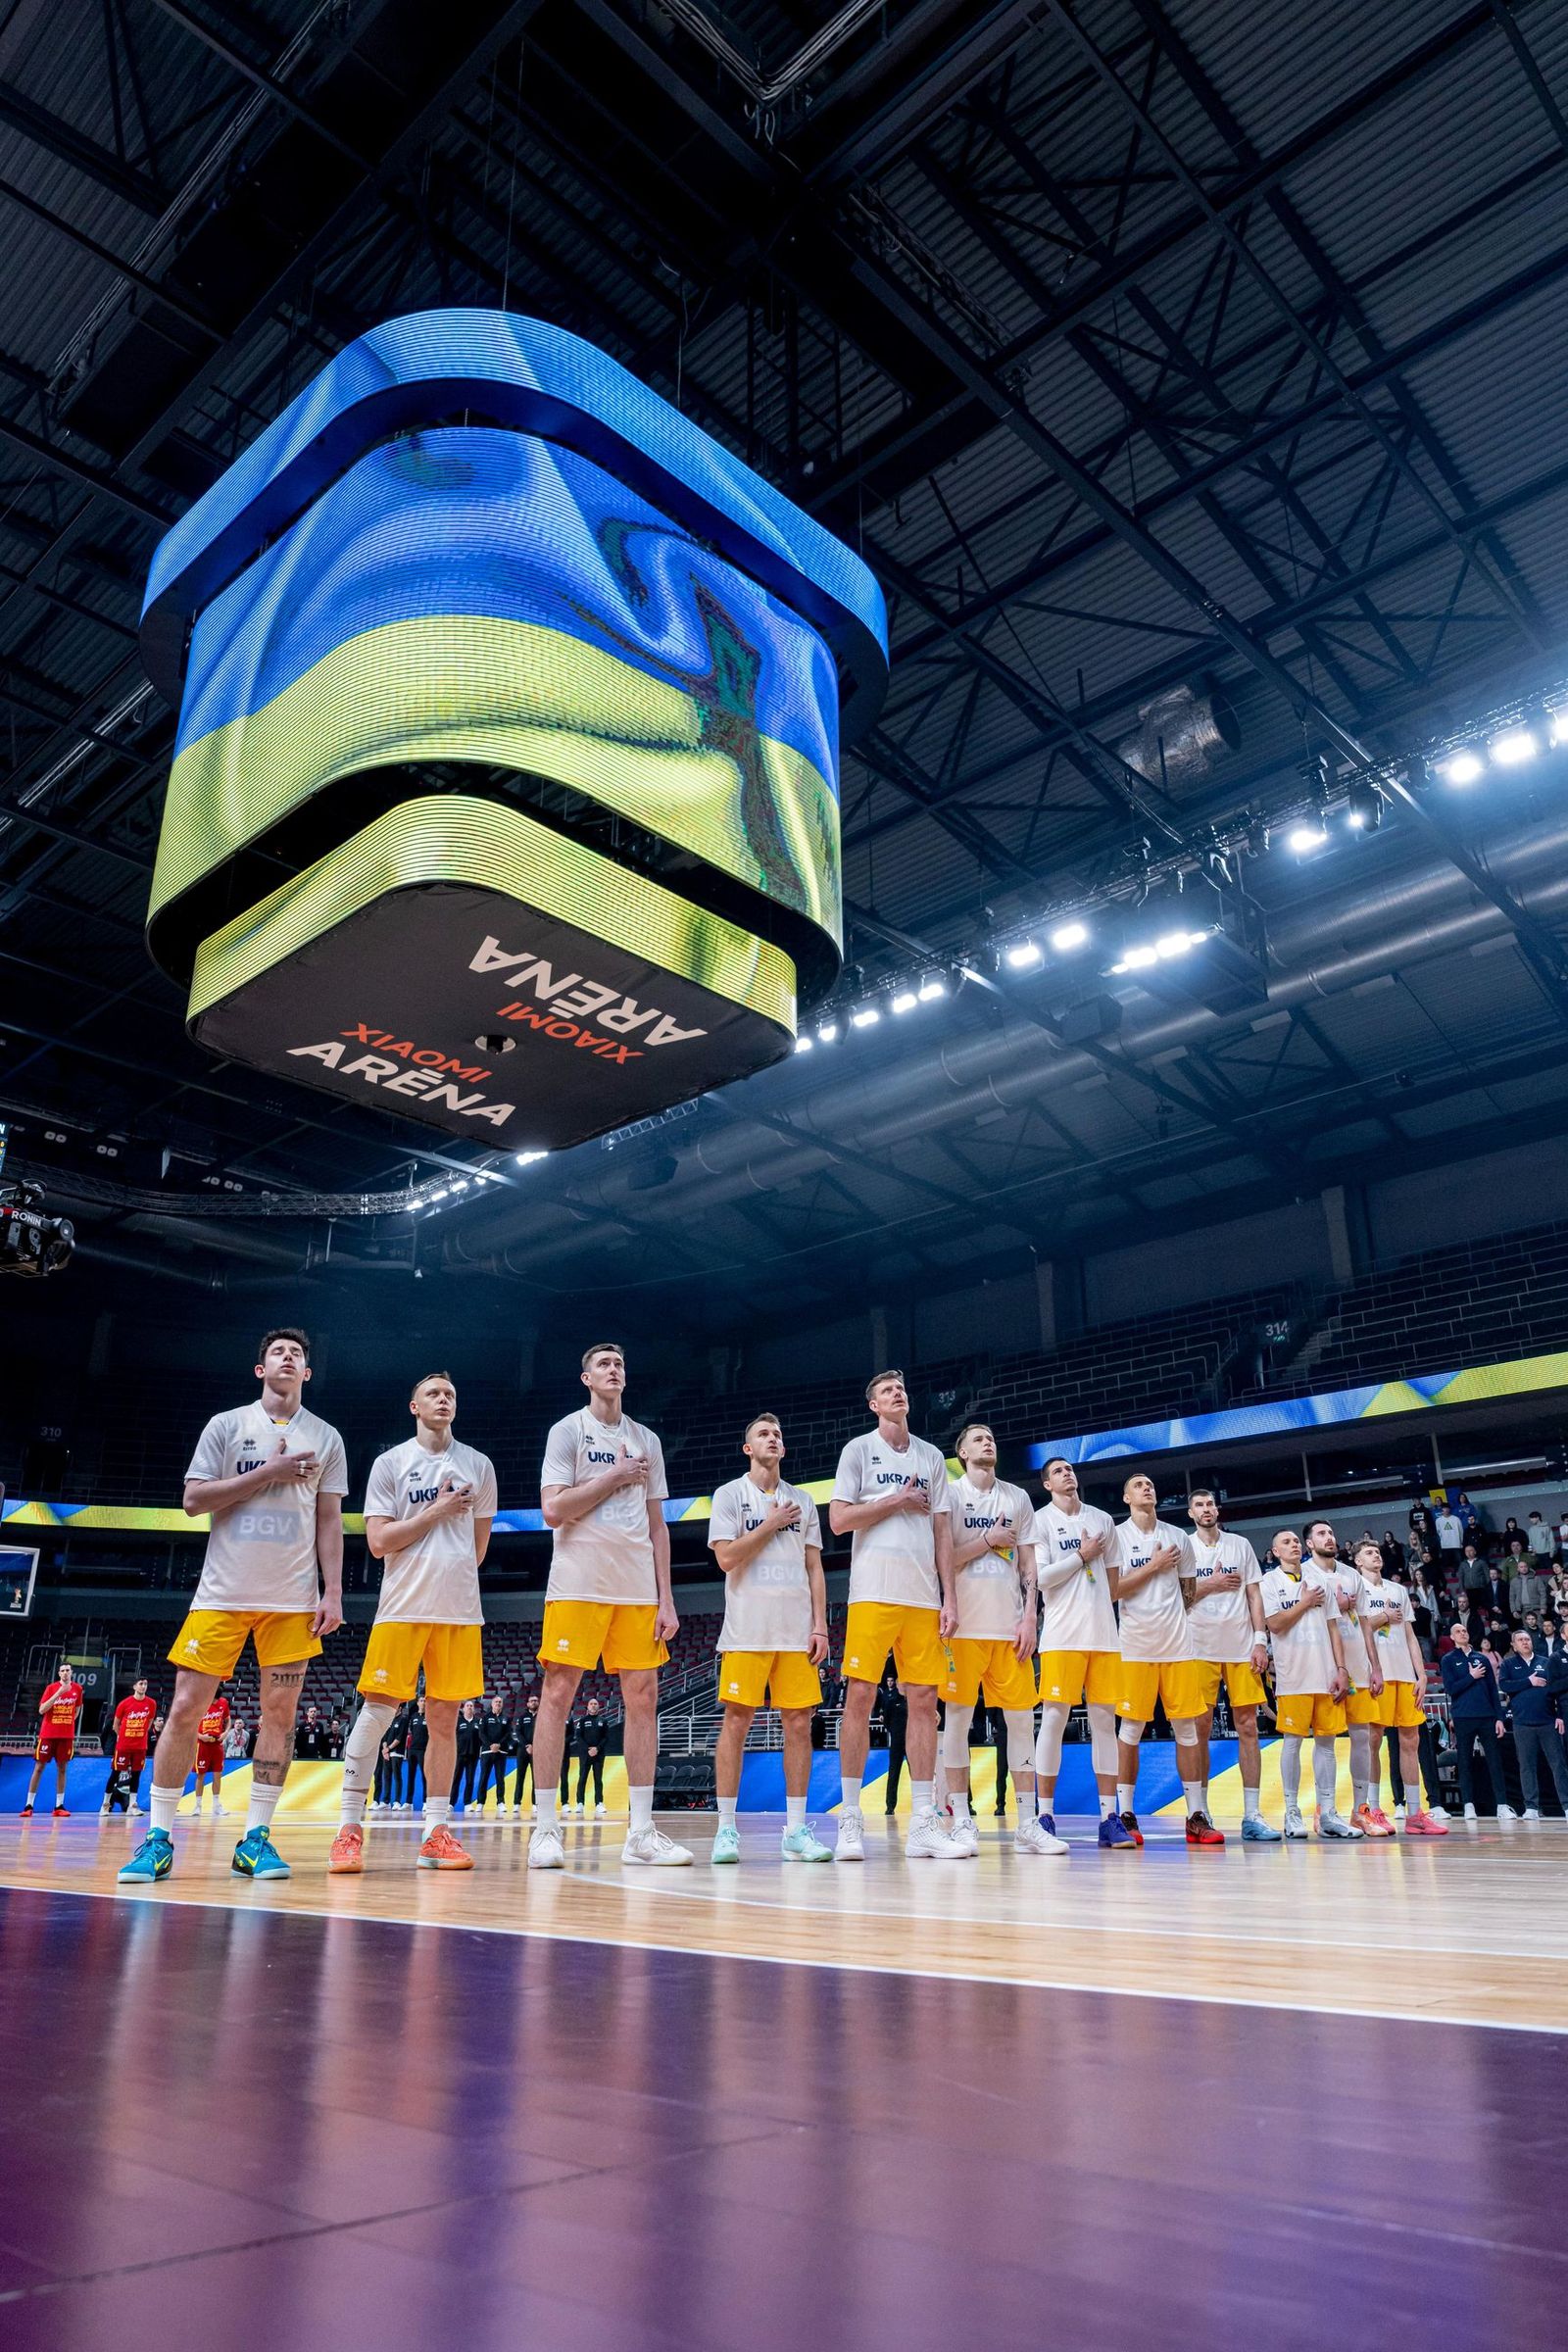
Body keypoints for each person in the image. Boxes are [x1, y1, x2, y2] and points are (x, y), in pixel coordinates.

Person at [119, 1328, 346, 1886]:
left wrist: (333, 1590)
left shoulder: (327, 1437)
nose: (288, 1358)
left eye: (297, 1354)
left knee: (281, 1715)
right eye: (277, 1352)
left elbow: (329, 1521)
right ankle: (158, 1838)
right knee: (184, 1710)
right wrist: (266, 1473)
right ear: (260, 1369)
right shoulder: (226, 1425)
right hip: (221, 1593)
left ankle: (256, 1838)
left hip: (292, 1599)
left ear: (307, 1373)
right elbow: (194, 1501)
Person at [530, 1343, 689, 1869]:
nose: (614, 1369)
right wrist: (613, 1477)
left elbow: (657, 1525)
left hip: (637, 1590)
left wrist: (666, 1597)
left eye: (620, 1363)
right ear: (586, 1378)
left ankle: (641, 1830)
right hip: (577, 1584)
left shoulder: (647, 1439)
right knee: (558, 1693)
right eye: (604, 1364)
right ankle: (546, 1828)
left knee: (643, 1698)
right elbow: (553, 1509)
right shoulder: (567, 1431)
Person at [331, 1371, 495, 1873]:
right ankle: (348, 1829)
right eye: (433, 1394)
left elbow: (479, 1545)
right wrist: (438, 1511)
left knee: (444, 1721)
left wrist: (447, 1538)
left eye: (450, 1394)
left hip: (459, 1610)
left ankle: (436, 1833)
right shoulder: (391, 1463)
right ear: (414, 1406)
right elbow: (379, 1542)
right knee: (377, 1713)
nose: (443, 1400)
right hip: (402, 1605)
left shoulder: (479, 1465)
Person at [830, 1370, 964, 1861]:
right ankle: (849, 1817)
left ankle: (925, 1821)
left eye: (901, 1388)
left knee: (925, 1700)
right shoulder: (858, 1451)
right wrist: (897, 1500)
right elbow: (840, 1520)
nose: (898, 1393)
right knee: (860, 1696)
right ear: (874, 1405)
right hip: (872, 1592)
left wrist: (950, 1596)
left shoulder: (932, 1457)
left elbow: (944, 1534)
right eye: (887, 1390)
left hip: (924, 1596)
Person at [707, 1410, 832, 1864]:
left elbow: (815, 1567)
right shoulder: (728, 1495)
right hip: (746, 1631)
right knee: (736, 1722)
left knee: (799, 1725)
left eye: (778, 1433)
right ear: (748, 1448)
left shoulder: (803, 1500)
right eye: (763, 1433)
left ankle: (796, 1830)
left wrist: (819, 1624)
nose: (773, 1438)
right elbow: (725, 1558)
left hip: (796, 1632)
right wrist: (769, 1524)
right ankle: (726, 1830)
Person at [938, 1422, 1057, 1857]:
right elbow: (942, 1558)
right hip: (963, 1627)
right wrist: (987, 1539)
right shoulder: (949, 1495)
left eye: (990, 1437)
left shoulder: (1017, 1497)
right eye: (978, 1438)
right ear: (962, 1452)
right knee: (956, 1720)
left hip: (1010, 1629)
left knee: (1023, 1721)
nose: (988, 1442)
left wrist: (1030, 1618)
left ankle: (1028, 1822)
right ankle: (961, 1820)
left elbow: (1029, 1565)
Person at [1112, 1474, 1218, 1847]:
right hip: (1135, 1647)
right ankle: (1125, 1813)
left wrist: (1169, 1609)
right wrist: (1154, 1566)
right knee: (1130, 1730)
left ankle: (1195, 1815)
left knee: (1187, 1730)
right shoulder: (1117, 1536)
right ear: (1126, 1497)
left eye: (1150, 1483)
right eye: (1138, 1484)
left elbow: (1188, 1592)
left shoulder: (1177, 1537)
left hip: (1178, 1647)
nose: (1147, 1487)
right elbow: (1112, 1590)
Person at [1033, 1456, 1133, 1849]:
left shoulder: (1103, 1520)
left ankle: (1109, 1818)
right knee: (1054, 1719)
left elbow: (1112, 1585)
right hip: (1061, 1636)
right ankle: (1045, 1814)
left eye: (1069, 1469)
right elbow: (1041, 1579)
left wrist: (1089, 1557)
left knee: (1105, 1723)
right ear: (1047, 1484)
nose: (1067, 1474)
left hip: (1104, 1637)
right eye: (1058, 1471)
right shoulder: (1040, 1521)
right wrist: (1081, 1556)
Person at [1185, 1490, 1278, 1840]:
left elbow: (1254, 1595)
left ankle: (1252, 1813)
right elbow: (1178, 1597)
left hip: (1241, 1648)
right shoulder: (1184, 1546)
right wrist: (1210, 1584)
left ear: (1216, 1510)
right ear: (1191, 1513)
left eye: (1210, 1504)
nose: (1206, 1510)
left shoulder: (1239, 1545)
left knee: (1249, 1727)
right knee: (1200, 1728)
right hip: (1198, 1647)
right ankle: (1201, 1811)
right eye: (1200, 1506)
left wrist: (1259, 1639)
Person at [1259, 1528, 1358, 1839]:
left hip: (1325, 1674)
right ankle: (1291, 1812)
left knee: (1327, 1745)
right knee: (1292, 1743)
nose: (1293, 1545)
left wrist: (1341, 1668)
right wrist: (1303, 1603)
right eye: (1286, 1542)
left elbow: (1334, 1627)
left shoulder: (1320, 1582)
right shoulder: (1269, 1582)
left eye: (1295, 1541)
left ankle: (1328, 1813)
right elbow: (1274, 1623)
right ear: (1275, 1552)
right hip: (1293, 1677)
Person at [1354, 1542, 1446, 1837]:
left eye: (1377, 1551)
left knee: (1411, 1741)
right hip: (1373, 1675)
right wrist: (1382, 1618)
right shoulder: (1354, 1589)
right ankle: (1372, 1809)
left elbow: (1409, 1637)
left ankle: (1415, 1813)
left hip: (1404, 1674)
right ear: (1357, 1560)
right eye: (1369, 1552)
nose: (1376, 1554)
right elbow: (1355, 1631)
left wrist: (1421, 1676)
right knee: (1372, 1741)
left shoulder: (1397, 1590)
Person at [1309, 1521, 1386, 1839]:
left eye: (1331, 1532)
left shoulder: (1351, 1575)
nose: (1329, 1537)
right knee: (1325, 1739)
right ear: (1309, 1543)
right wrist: (1335, 1607)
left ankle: (1360, 1810)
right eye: (1321, 1534)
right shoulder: (1306, 1574)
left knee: (1362, 1737)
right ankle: (1324, 1810)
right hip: (1325, 1667)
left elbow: (1367, 1623)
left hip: (1358, 1666)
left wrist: (1376, 1666)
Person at [1440, 1623, 1515, 1819]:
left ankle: (1502, 1805)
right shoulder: (1448, 1660)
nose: (1463, 1633)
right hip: (1463, 1716)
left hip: (1486, 1716)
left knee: (1495, 1761)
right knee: (1464, 1762)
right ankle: (1468, 1805)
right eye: (1458, 1631)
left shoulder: (1481, 1658)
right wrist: (1471, 1676)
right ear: (1452, 1637)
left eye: (1465, 1630)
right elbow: (1451, 1688)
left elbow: (1492, 1689)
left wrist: (1499, 1718)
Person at [1498, 1629, 1568, 1819]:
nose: (1525, 1642)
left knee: (1558, 1765)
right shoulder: (1508, 1664)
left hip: (1548, 1721)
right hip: (1522, 1723)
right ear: (1514, 1645)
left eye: (1527, 1639)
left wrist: (1560, 1715)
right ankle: (1531, 1807)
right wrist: (1528, 1681)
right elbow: (1505, 1685)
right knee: (1527, 1766)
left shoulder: (1546, 1662)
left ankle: (1567, 1805)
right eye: (1520, 1639)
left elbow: (1556, 1690)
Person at [22, 1659, 82, 1817]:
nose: (65, 1673)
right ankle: (28, 1805)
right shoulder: (51, 1688)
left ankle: (59, 1806)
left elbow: (77, 1710)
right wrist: (59, 1693)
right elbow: (42, 1710)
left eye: (68, 1670)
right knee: (39, 1767)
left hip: (66, 1735)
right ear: (58, 1673)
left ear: (71, 1672)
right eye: (62, 1670)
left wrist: (67, 1722)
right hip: (48, 1734)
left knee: (62, 1769)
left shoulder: (78, 1689)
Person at [100, 1677, 157, 1819]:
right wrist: (123, 1737)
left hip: (140, 1746)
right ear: (134, 1686)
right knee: (115, 1774)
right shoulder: (125, 1704)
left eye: (145, 1684)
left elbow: (149, 1722)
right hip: (124, 1746)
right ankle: (105, 1804)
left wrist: (140, 1735)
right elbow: (116, 1724)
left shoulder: (151, 1703)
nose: (143, 1686)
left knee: (136, 1775)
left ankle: (132, 1805)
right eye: (141, 1684)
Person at [569, 1696, 612, 1820]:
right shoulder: (582, 1721)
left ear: (598, 1706)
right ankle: (580, 1803)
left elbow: (606, 1737)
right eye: (591, 1703)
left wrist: (597, 1749)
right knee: (582, 1778)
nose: (593, 1705)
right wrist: (588, 1749)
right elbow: (578, 1737)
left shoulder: (603, 1721)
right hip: (585, 1754)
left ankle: (599, 1803)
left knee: (598, 1779)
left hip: (599, 1754)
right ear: (587, 1707)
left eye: (595, 1704)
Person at [191, 1689, 232, 1816]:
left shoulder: (223, 1702)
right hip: (202, 1744)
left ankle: (216, 1805)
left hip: (217, 1744)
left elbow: (228, 1720)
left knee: (217, 1775)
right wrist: (200, 1736)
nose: (213, 1702)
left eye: (215, 1701)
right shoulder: (199, 1703)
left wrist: (225, 1733)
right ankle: (197, 1806)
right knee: (200, 1775)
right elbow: (190, 1725)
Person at [876, 1673, 908, 1813]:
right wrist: (895, 1732)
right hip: (897, 1740)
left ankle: (921, 1805)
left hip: (912, 1741)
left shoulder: (913, 1700)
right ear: (897, 1683)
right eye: (901, 1683)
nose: (904, 1686)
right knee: (894, 1772)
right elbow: (886, 1721)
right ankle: (890, 1806)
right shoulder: (891, 1700)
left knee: (918, 1773)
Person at [475, 1694, 511, 1814]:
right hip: (487, 1751)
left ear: (502, 1704)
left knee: (500, 1778)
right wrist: (490, 1745)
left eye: (500, 1702)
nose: (498, 1704)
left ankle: (500, 1802)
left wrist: (498, 1745)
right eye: (496, 1702)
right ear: (491, 1704)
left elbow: (508, 1734)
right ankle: (480, 1803)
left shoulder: (506, 1718)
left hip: (501, 1752)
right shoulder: (485, 1717)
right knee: (484, 1777)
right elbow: (481, 1733)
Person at [509, 1691, 540, 1818]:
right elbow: (518, 1733)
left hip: (537, 1751)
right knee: (520, 1777)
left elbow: (543, 1733)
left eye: (535, 1701)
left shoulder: (542, 1717)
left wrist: (534, 1746)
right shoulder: (522, 1717)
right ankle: (517, 1803)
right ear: (527, 1704)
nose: (533, 1703)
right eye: (531, 1701)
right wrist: (527, 1745)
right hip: (523, 1750)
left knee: (536, 1779)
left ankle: (535, 1804)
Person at [451, 1699, 484, 1811]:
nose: (469, 1707)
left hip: (473, 1755)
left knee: (469, 1780)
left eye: (471, 1706)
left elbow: (482, 1738)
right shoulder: (458, 1721)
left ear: (473, 1709)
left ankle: (467, 1803)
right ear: (463, 1708)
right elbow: (452, 1738)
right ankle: (451, 1803)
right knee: (456, 1779)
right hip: (459, 1754)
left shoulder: (478, 1722)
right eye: (467, 1705)